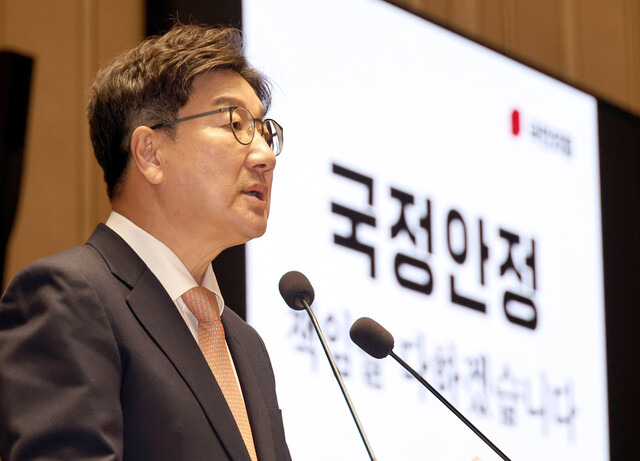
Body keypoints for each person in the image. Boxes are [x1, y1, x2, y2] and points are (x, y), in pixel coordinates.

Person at [0, 23, 291, 461]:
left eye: (265, 132)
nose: (266, 156)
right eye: (235, 124)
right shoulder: (68, 297)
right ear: (150, 153)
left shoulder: (246, 346)